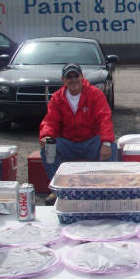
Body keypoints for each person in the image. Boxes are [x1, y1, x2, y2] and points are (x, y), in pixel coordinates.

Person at [39, 63, 118, 204]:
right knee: (48, 148)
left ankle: (108, 190)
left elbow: (105, 118)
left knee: (111, 146)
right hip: (68, 144)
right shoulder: (57, 97)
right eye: (69, 77)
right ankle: (58, 190)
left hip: (91, 142)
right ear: (63, 79)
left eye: (76, 76)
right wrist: (46, 136)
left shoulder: (95, 94)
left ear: (82, 77)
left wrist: (106, 142)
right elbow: (50, 121)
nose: (73, 80)